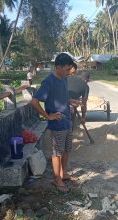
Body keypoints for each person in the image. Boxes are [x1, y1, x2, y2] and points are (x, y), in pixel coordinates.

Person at [30, 53, 79, 193]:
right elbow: (34, 101)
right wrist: (47, 116)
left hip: (67, 121)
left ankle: (64, 174)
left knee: (67, 149)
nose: (69, 72)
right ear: (58, 67)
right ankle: (57, 180)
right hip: (57, 124)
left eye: (70, 69)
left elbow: (62, 97)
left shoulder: (64, 79)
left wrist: (71, 101)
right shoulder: (48, 82)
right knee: (57, 153)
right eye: (67, 69)